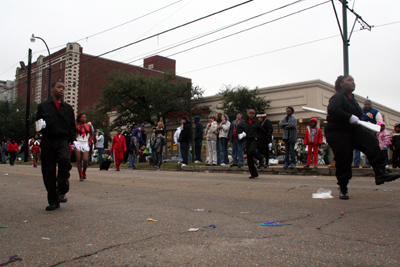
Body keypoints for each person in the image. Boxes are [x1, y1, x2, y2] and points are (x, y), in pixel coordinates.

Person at [324, 75, 399, 200]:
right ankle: (343, 187)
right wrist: (348, 116)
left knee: (372, 142)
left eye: (353, 81)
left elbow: (358, 113)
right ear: (342, 84)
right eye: (349, 80)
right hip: (338, 131)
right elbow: (332, 109)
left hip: (352, 128)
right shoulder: (338, 96)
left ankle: (380, 173)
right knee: (344, 159)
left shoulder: (352, 98)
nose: (353, 83)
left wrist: (355, 118)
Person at [36, 81, 76, 211]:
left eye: (63, 88)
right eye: (59, 87)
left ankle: (62, 188)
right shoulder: (43, 106)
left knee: (64, 160)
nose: (61, 90)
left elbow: (71, 125)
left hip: (62, 139)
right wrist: (40, 127)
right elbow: (37, 123)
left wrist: (72, 139)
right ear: (52, 89)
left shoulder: (68, 108)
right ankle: (53, 201)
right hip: (48, 141)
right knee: (48, 171)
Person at [353, 99, 383, 168]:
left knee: (368, 148)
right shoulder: (360, 111)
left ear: (371, 104)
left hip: (370, 131)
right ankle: (356, 163)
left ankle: (368, 163)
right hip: (360, 130)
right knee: (356, 147)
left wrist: (375, 132)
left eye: (368, 104)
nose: (367, 106)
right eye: (366, 104)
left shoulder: (375, 112)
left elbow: (379, 122)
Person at [243, 109, 264, 179]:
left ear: (254, 114)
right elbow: (243, 130)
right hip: (248, 139)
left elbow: (262, 131)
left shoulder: (257, 122)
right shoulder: (245, 122)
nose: (251, 114)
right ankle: (253, 173)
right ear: (248, 114)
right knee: (249, 157)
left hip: (254, 139)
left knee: (251, 151)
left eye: (253, 113)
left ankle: (260, 157)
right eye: (250, 113)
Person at [74, 113, 93, 181]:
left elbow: (91, 134)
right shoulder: (76, 125)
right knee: (78, 159)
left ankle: (84, 171)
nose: (84, 119)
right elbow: (73, 134)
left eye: (85, 117)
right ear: (79, 119)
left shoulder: (89, 126)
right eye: (83, 117)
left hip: (85, 143)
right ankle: (80, 174)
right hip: (78, 142)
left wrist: (90, 141)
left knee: (85, 159)